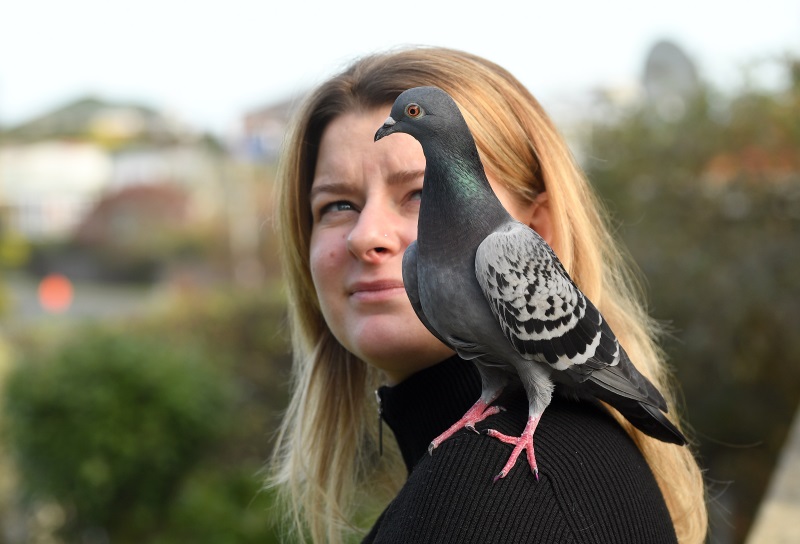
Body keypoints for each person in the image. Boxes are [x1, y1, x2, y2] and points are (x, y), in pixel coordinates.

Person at [269, 46, 707, 543]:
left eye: (417, 193)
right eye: (339, 203)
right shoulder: (478, 475)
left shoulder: (493, 495)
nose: (366, 236)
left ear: (538, 225)